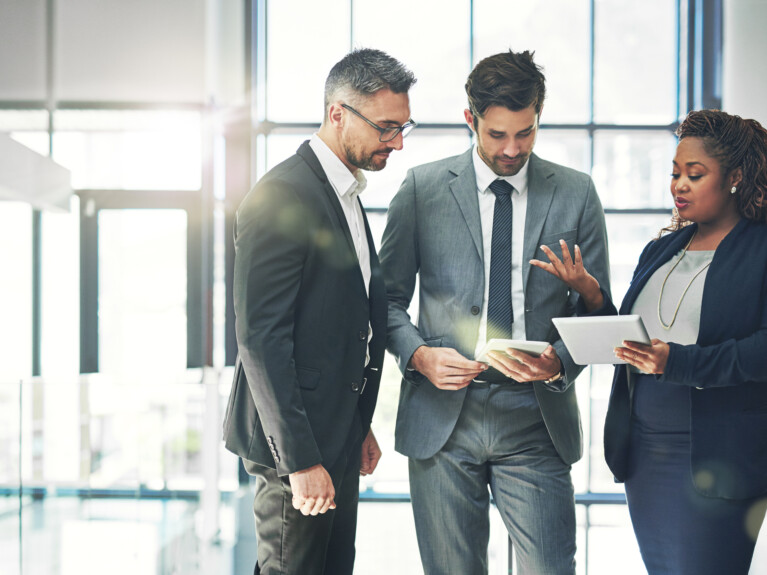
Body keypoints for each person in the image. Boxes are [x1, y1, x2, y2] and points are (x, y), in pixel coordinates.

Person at [379, 49, 611, 575]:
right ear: (471, 120)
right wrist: (418, 356)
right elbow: (386, 303)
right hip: (443, 415)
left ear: (538, 118)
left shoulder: (576, 194)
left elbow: (598, 310)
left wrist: (560, 362)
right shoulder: (421, 189)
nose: (512, 149)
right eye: (497, 135)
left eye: (525, 133)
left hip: (535, 417)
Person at [531, 109, 767, 574]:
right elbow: (630, 340)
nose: (679, 185)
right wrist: (592, 294)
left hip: (718, 455)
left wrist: (677, 363)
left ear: (736, 177)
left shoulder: (761, 249)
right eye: (675, 173)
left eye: (694, 175)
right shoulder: (661, 250)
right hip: (645, 452)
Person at [222, 48, 416, 575]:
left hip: (336, 435)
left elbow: (345, 322)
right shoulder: (280, 195)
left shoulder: (345, 191)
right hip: (295, 448)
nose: (397, 142)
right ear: (338, 114)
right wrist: (301, 460)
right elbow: (261, 339)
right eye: (386, 128)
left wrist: (358, 425)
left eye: (404, 127)